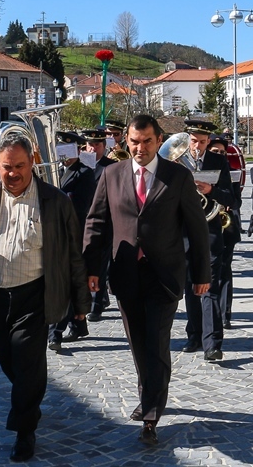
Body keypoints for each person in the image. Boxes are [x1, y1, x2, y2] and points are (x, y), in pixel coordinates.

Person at [0, 131, 90, 462]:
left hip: (34, 296)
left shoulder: (56, 202)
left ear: (33, 163)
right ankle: (30, 397)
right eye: (6, 167)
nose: (13, 174)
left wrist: (81, 305)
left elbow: (73, 256)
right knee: (8, 359)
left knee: (27, 363)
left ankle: (25, 431)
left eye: (20, 166)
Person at [83, 114, 210, 445]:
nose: (140, 148)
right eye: (134, 142)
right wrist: (91, 269)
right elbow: (96, 223)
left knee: (156, 343)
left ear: (158, 140)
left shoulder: (178, 176)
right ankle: (149, 395)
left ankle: (152, 413)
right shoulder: (111, 174)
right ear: (126, 140)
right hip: (126, 274)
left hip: (164, 275)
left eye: (147, 141)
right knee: (138, 343)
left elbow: (197, 229)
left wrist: (202, 273)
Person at [180, 119, 235, 361]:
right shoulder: (175, 160)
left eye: (203, 142)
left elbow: (232, 199)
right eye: (194, 141)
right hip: (182, 231)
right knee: (190, 288)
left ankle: (213, 344)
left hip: (210, 231)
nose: (198, 147)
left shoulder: (218, 161)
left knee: (209, 288)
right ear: (187, 139)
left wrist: (211, 191)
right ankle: (194, 335)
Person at [48, 131, 95, 351]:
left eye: (68, 150)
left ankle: (55, 333)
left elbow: (82, 207)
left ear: (78, 149)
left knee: (64, 283)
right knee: (71, 282)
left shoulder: (85, 172)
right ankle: (79, 324)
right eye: (61, 150)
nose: (64, 155)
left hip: (73, 234)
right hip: (53, 233)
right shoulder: (53, 170)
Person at [81, 127, 117, 322]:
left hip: (104, 220)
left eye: (97, 145)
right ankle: (94, 299)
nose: (93, 148)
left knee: (101, 263)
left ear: (104, 146)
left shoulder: (111, 167)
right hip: (82, 220)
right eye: (90, 144)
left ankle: (95, 306)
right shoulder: (79, 166)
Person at [208, 135, 242, 330]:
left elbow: (236, 201)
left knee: (225, 272)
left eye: (222, 152)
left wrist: (228, 203)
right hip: (207, 227)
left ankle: (225, 313)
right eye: (215, 152)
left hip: (226, 228)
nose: (220, 155)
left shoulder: (233, 173)